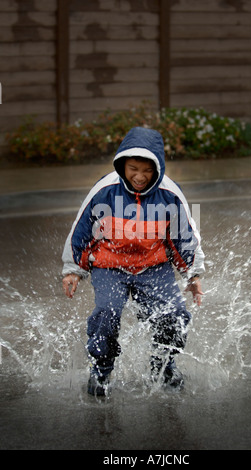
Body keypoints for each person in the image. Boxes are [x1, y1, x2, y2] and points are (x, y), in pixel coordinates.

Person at [62, 127, 205, 397]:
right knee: (107, 314)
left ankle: (163, 365)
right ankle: (101, 371)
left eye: (147, 170)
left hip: (153, 267)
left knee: (174, 315)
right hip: (110, 265)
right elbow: (80, 230)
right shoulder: (104, 190)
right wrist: (74, 270)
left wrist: (193, 274)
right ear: (122, 164)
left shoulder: (169, 194)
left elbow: (185, 237)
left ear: (158, 169)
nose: (139, 176)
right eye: (132, 168)